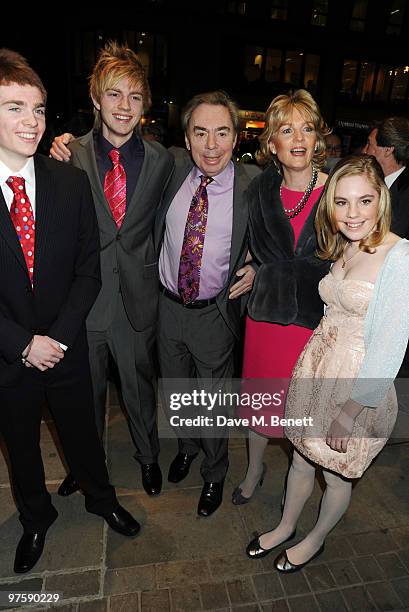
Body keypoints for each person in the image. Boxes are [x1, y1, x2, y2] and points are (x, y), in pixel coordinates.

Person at [0, 49, 141, 574]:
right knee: (21, 447)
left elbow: (89, 272)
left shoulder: (69, 181)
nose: (31, 121)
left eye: (37, 109)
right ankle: (35, 519)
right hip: (8, 354)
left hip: (65, 345)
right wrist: (21, 344)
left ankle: (101, 499)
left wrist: (57, 338)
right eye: (15, 107)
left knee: (83, 432)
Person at [246, 154, 409, 572]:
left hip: (355, 390)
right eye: (341, 202)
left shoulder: (399, 257)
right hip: (315, 375)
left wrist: (352, 412)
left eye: (364, 201)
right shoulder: (343, 247)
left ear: (381, 202)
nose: (352, 213)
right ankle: (285, 526)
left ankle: (315, 539)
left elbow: (391, 346)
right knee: (301, 457)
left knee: (336, 475)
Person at [49, 42, 174, 498]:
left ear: (145, 105)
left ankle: (148, 458)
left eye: (135, 97)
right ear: (97, 100)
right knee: (86, 393)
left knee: (140, 390)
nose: (125, 106)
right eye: (115, 95)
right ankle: (86, 466)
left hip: (139, 299)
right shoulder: (68, 156)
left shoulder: (165, 160)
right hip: (84, 301)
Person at [155, 90, 258, 517]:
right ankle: (187, 448)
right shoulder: (172, 168)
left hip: (215, 313)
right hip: (166, 306)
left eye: (221, 133)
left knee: (212, 403)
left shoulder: (255, 184)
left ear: (236, 137)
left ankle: (215, 472)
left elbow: (289, 239)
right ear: (187, 138)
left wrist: (259, 268)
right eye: (201, 133)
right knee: (177, 393)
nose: (211, 145)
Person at [232, 89, 330, 505]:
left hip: (315, 320)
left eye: (307, 129)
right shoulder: (257, 191)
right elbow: (254, 247)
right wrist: (255, 267)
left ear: (317, 139)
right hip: (267, 318)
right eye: (287, 130)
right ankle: (254, 469)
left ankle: (297, 484)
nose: (299, 138)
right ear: (271, 142)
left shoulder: (336, 190)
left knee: (301, 413)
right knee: (261, 404)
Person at [363, 117, 409, 239]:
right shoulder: (369, 183)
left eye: (369, 144)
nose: (364, 150)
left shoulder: (405, 197)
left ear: (388, 150)